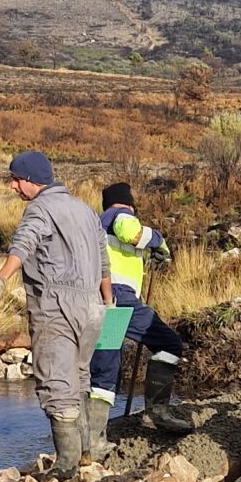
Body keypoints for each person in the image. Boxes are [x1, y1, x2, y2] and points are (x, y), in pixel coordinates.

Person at [0, 150, 110, 477]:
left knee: (57, 384)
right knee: (80, 378)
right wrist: (108, 303)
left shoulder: (40, 209)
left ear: (30, 180)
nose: (13, 187)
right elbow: (103, 259)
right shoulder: (84, 208)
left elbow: (23, 245)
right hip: (95, 308)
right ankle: (90, 453)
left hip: (57, 307)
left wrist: (0, 279)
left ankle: (67, 467)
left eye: (15, 180)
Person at [93, 182, 192, 433]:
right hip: (120, 297)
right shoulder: (122, 215)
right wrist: (158, 241)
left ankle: (92, 434)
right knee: (169, 344)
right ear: (129, 203)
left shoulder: (97, 222)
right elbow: (131, 233)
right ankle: (158, 412)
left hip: (104, 298)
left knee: (106, 361)